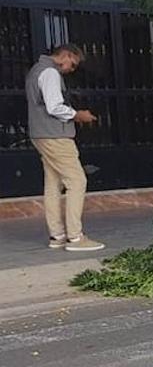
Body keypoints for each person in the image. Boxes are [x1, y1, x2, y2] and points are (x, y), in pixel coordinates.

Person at [26, 44, 105, 251]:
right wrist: (78, 115)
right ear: (66, 55)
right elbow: (54, 107)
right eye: (73, 63)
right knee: (77, 180)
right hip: (56, 136)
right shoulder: (50, 72)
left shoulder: (36, 70)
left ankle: (57, 235)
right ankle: (76, 237)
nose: (72, 69)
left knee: (53, 184)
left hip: (41, 133)